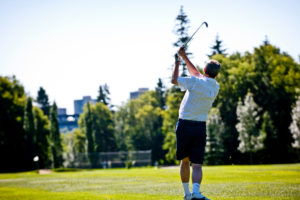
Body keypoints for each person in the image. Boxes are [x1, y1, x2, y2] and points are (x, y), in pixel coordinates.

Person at [171, 47, 221, 200]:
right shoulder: (215, 86)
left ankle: (187, 195)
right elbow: (197, 74)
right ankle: (196, 193)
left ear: (205, 68)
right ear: (216, 73)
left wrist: (177, 62)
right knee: (197, 164)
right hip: (200, 127)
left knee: (185, 161)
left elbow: (174, 80)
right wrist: (185, 57)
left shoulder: (194, 82)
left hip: (185, 124)